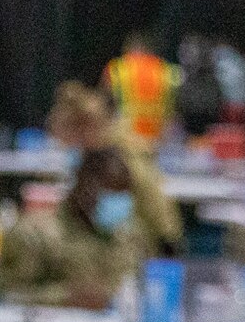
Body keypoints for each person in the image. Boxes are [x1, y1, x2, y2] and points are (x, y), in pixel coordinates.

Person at [0, 149, 141, 310]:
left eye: (123, 194)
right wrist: (64, 298)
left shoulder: (125, 235)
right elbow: (3, 294)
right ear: (84, 188)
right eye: (110, 192)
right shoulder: (34, 234)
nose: (118, 202)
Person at [47, 82, 181, 257]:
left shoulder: (122, 151)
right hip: (106, 239)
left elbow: (153, 199)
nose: (67, 145)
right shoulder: (91, 153)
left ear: (85, 127)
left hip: (134, 245)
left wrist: (167, 242)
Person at [103, 33, 179, 148]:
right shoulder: (166, 69)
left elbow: (105, 99)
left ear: (127, 49)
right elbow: (176, 106)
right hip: (160, 135)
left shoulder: (119, 67)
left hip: (128, 132)